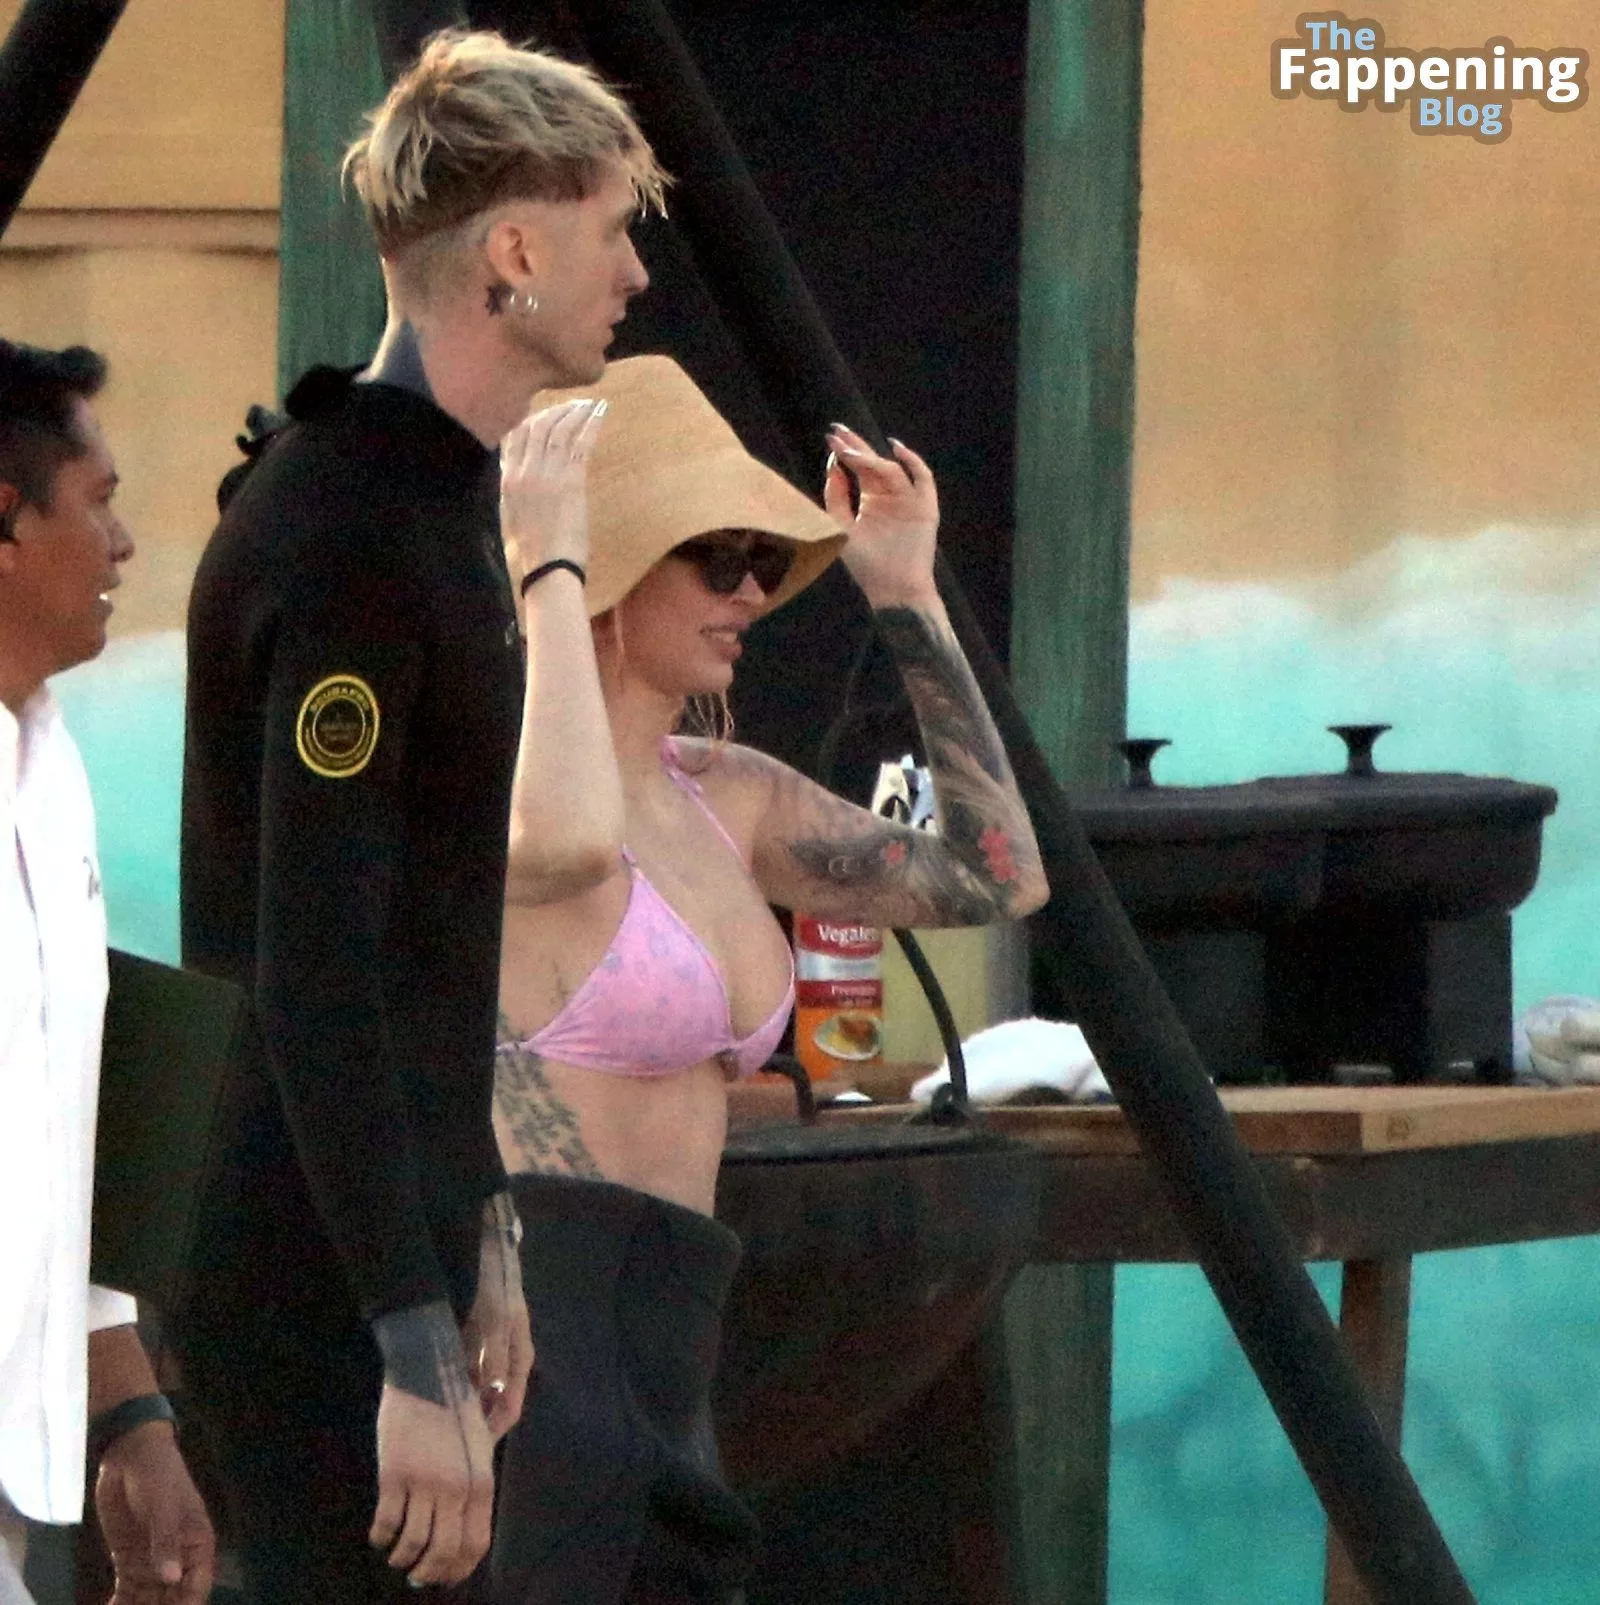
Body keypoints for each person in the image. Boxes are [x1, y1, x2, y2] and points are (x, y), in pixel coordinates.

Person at [176, 31, 664, 1602]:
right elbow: (313, 970)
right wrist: (407, 1338)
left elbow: (426, 934)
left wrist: (482, 1229)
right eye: (613, 230)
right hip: (301, 1271)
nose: (637, 274)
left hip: (382, 1241)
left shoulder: (438, 500)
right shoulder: (348, 527)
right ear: (513, 253)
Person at [488, 355, 1049, 1603]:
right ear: (612, 566)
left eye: (762, 559)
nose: (751, 591)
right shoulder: (501, 800)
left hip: (678, 1321)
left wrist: (905, 596)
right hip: (538, 1315)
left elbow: (996, 876)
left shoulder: (726, 795)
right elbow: (558, 847)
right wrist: (550, 572)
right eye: (715, 557)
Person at [0, 337, 215, 1603]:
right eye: (99, 500)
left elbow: (59, 1131)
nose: (125, 544)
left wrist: (130, 1416)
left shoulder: (51, 758)